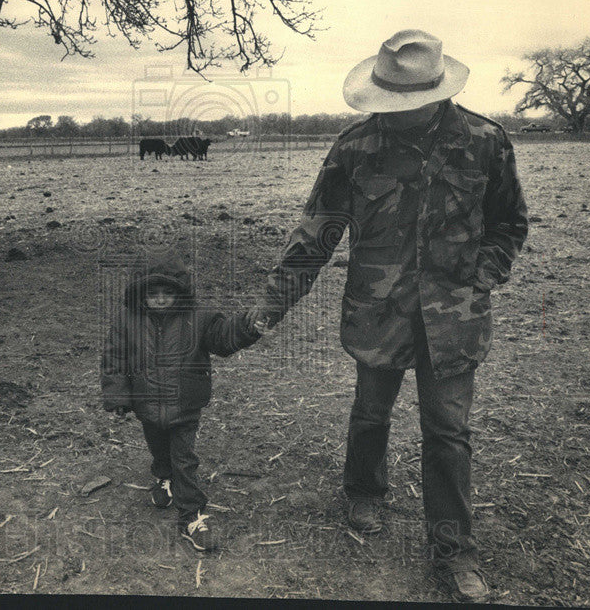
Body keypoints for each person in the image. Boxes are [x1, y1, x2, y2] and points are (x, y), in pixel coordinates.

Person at [247, 29, 528, 603]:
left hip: (455, 317)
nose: (397, 114)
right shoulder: (354, 150)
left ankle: (453, 549)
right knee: (371, 412)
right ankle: (363, 490)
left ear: (435, 91)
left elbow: (509, 223)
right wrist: (269, 308)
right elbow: (314, 238)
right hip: (379, 313)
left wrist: (484, 274)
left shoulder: (484, 141)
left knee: (448, 431)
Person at [102, 252, 262, 551]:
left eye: (167, 293)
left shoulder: (199, 317)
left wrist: (247, 327)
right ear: (141, 292)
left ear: (180, 292)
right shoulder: (127, 319)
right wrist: (118, 396)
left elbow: (224, 338)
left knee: (184, 460)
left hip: (185, 404)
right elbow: (114, 357)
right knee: (158, 447)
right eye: (153, 293)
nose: (161, 300)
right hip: (146, 402)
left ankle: (192, 515)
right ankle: (163, 477)